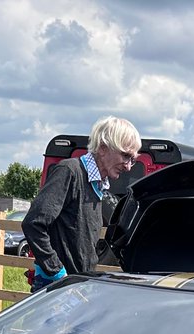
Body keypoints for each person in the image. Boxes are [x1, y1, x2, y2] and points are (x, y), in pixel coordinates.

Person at [23, 115, 141, 292]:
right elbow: (33, 224)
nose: (128, 166)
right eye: (125, 156)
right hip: (57, 286)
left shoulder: (97, 186)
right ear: (102, 148)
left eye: (133, 160)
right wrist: (57, 272)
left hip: (77, 285)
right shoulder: (69, 172)